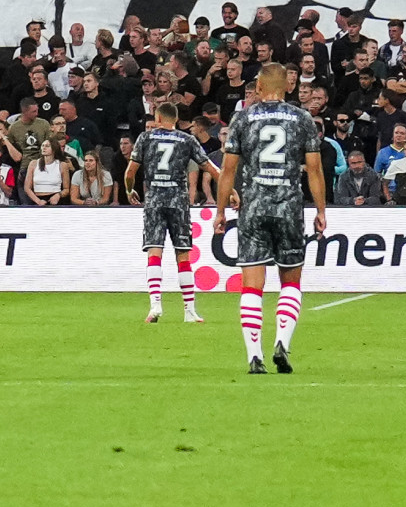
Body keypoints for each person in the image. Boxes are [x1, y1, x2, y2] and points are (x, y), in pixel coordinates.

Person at [222, 65, 326, 375]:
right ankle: (282, 342)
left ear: (257, 85)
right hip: (289, 207)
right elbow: (315, 170)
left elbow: (228, 170)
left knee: (252, 286)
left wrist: (218, 211)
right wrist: (321, 211)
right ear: (287, 87)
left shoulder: (242, 118)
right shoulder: (303, 119)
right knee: (291, 282)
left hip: (253, 206)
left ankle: (254, 356)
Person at [129, 95, 212, 327]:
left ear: (157, 118)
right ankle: (190, 311)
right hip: (179, 201)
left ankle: (155, 304)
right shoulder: (187, 139)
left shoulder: (145, 137)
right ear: (176, 119)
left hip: (154, 201)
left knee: (154, 252)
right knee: (183, 256)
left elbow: (130, 172)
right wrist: (231, 190)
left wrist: (129, 190)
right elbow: (208, 166)